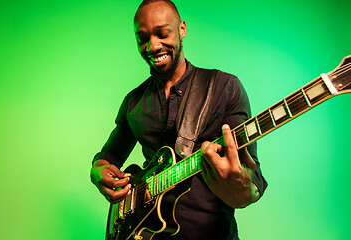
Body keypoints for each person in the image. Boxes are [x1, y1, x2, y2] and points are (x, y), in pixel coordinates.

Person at [90, 0, 267, 239]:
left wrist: (242, 186)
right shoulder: (133, 102)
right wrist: (98, 171)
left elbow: (250, 176)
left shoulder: (224, 87)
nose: (152, 46)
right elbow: (108, 157)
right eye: (142, 38)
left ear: (182, 29)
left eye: (163, 33)